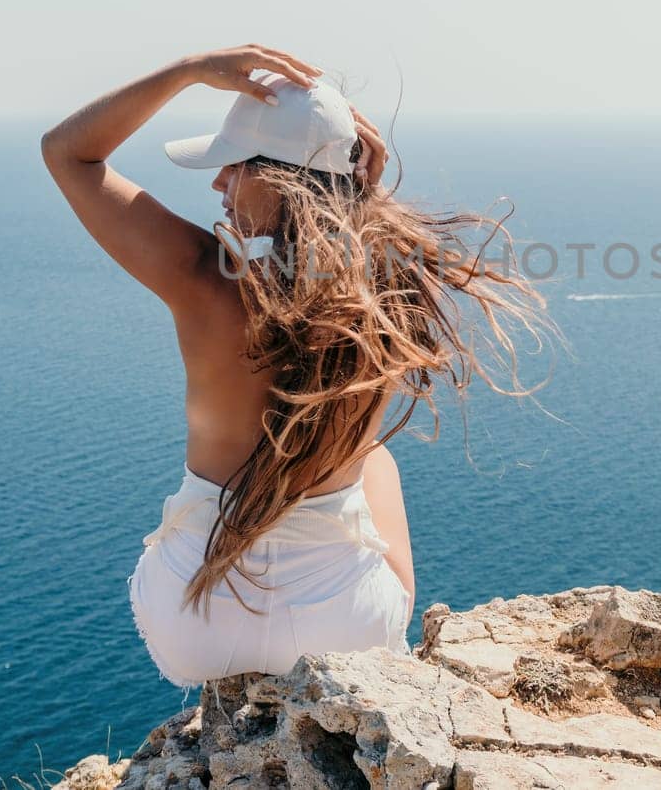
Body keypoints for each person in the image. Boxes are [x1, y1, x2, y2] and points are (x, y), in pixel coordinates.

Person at [40, 44, 557, 688]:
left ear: (277, 180)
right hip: (346, 629)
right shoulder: (388, 290)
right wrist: (355, 190)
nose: (218, 183)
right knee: (378, 461)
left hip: (195, 619)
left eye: (234, 167)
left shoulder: (204, 277)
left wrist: (187, 72)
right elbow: (346, 232)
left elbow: (69, 152)